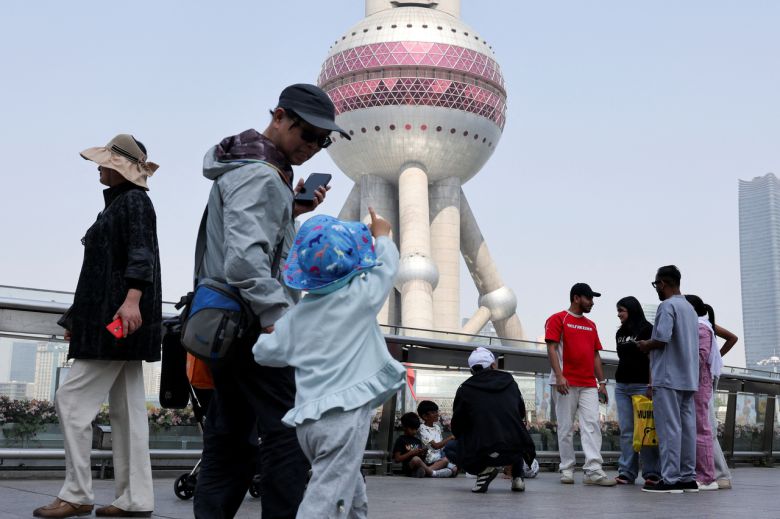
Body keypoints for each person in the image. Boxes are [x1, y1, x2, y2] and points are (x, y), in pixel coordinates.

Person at [193, 84, 345, 519]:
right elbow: (244, 260)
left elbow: (247, 242)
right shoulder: (261, 175)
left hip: (227, 323)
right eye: (307, 134)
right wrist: (277, 316)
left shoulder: (250, 167)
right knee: (288, 435)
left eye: (323, 141)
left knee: (230, 437)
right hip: (255, 325)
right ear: (279, 116)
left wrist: (289, 211)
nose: (313, 147)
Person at [34, 135, 161, 518]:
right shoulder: (124, 203)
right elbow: (100, 271)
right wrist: (78, 320)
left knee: (71, 401)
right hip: (116, 319)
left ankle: (77, 493)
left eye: (105, 161)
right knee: (128, 411)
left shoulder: (133, 202)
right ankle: (135, 499)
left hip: (116, 321)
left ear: (121, 167)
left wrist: (132, 299)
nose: (99, 166)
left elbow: (140, 253)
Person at [252, 209, 405, 518]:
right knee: (326, 499)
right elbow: (387, 268)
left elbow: (264, 353)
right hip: (343, 418)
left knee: (347, 487)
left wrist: (271, 333)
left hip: (308, 422)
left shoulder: (296, 317)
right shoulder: (361, 296)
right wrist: (383, 236)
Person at [544, 283, 616, 487]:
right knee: (565, 427)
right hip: (565, 382)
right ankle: (567, 469)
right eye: (589, 298)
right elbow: (551, 348)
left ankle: (593, 470)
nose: (592, 303)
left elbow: (595, 355)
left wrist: (602, 383)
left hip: (588, 384)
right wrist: (559, 376)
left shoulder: (591, 325)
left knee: (592, 425)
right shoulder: (558, 319)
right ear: (576, 298)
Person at [637, 265, 699, 494]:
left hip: (668, 376)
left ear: (662, 283)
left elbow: (662, 338)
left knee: (669, 428)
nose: (656, 289)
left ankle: (670, 478)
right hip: (688, 377)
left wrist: (645, 344)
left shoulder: (667, 306)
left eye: (656, 284)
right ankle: (688, 477)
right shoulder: (690, 308)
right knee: (687, 429)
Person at [450, 347, 537, 493]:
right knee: (514, 431)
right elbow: (521, 412)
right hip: (514, 449)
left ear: (472, 370)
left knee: (450, 448)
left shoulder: (465, 388)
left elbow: (457, 426)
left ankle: (483, 471)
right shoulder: (510, 382)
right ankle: (517, 477)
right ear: (493, 365)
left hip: (482, 450)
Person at [613, 296, 661, 485]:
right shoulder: (620, 333)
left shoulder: (647, 329)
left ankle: (652, 473)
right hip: (622, 386)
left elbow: (653, 359)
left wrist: (651, 384)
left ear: (631, 310)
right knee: (627, 430)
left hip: (642, 385)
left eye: (621, 311)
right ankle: (626, 472)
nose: (618, 314)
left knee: (646, 429)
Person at [685, 295, 719, 490]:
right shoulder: (699, 327)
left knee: (700, 428)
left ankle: (707, 477)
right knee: (695, 428)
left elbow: (700, 357)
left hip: (698, 383)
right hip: (694, 382)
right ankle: (698, 473)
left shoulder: (701, 328)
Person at [710, 321, 738, 489]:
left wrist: (716, 357)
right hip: (709, 374)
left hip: (706, 376)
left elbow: (732, 338)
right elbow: (732, 338)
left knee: (707, 426)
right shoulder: (706, 324)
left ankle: (721, 474)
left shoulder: (704, 323)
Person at [417, 400, 457, 477]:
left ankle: (431, 473)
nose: (437, 414)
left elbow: (441, 447)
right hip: (430, 460)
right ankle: (428, 470)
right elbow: (436, 446)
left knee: (454, 469)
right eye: (433, 412)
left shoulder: (437, 427)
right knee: (445, 461)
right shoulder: (422, 428)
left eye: (436, 412)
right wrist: (451, 438)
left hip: (440, 458)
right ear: (425, 416)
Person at [392, 413, 428, 477]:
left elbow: (421, 458)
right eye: (412, 429)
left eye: (416, 429)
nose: (414, 431)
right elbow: (397, 459)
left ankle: (420, 471)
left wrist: (423, 453)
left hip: (418, 465)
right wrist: (411, 453)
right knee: (416, 459)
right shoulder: (401, 440)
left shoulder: (417, 441)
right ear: (404, 427)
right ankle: (428, 471)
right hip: (408, 467)